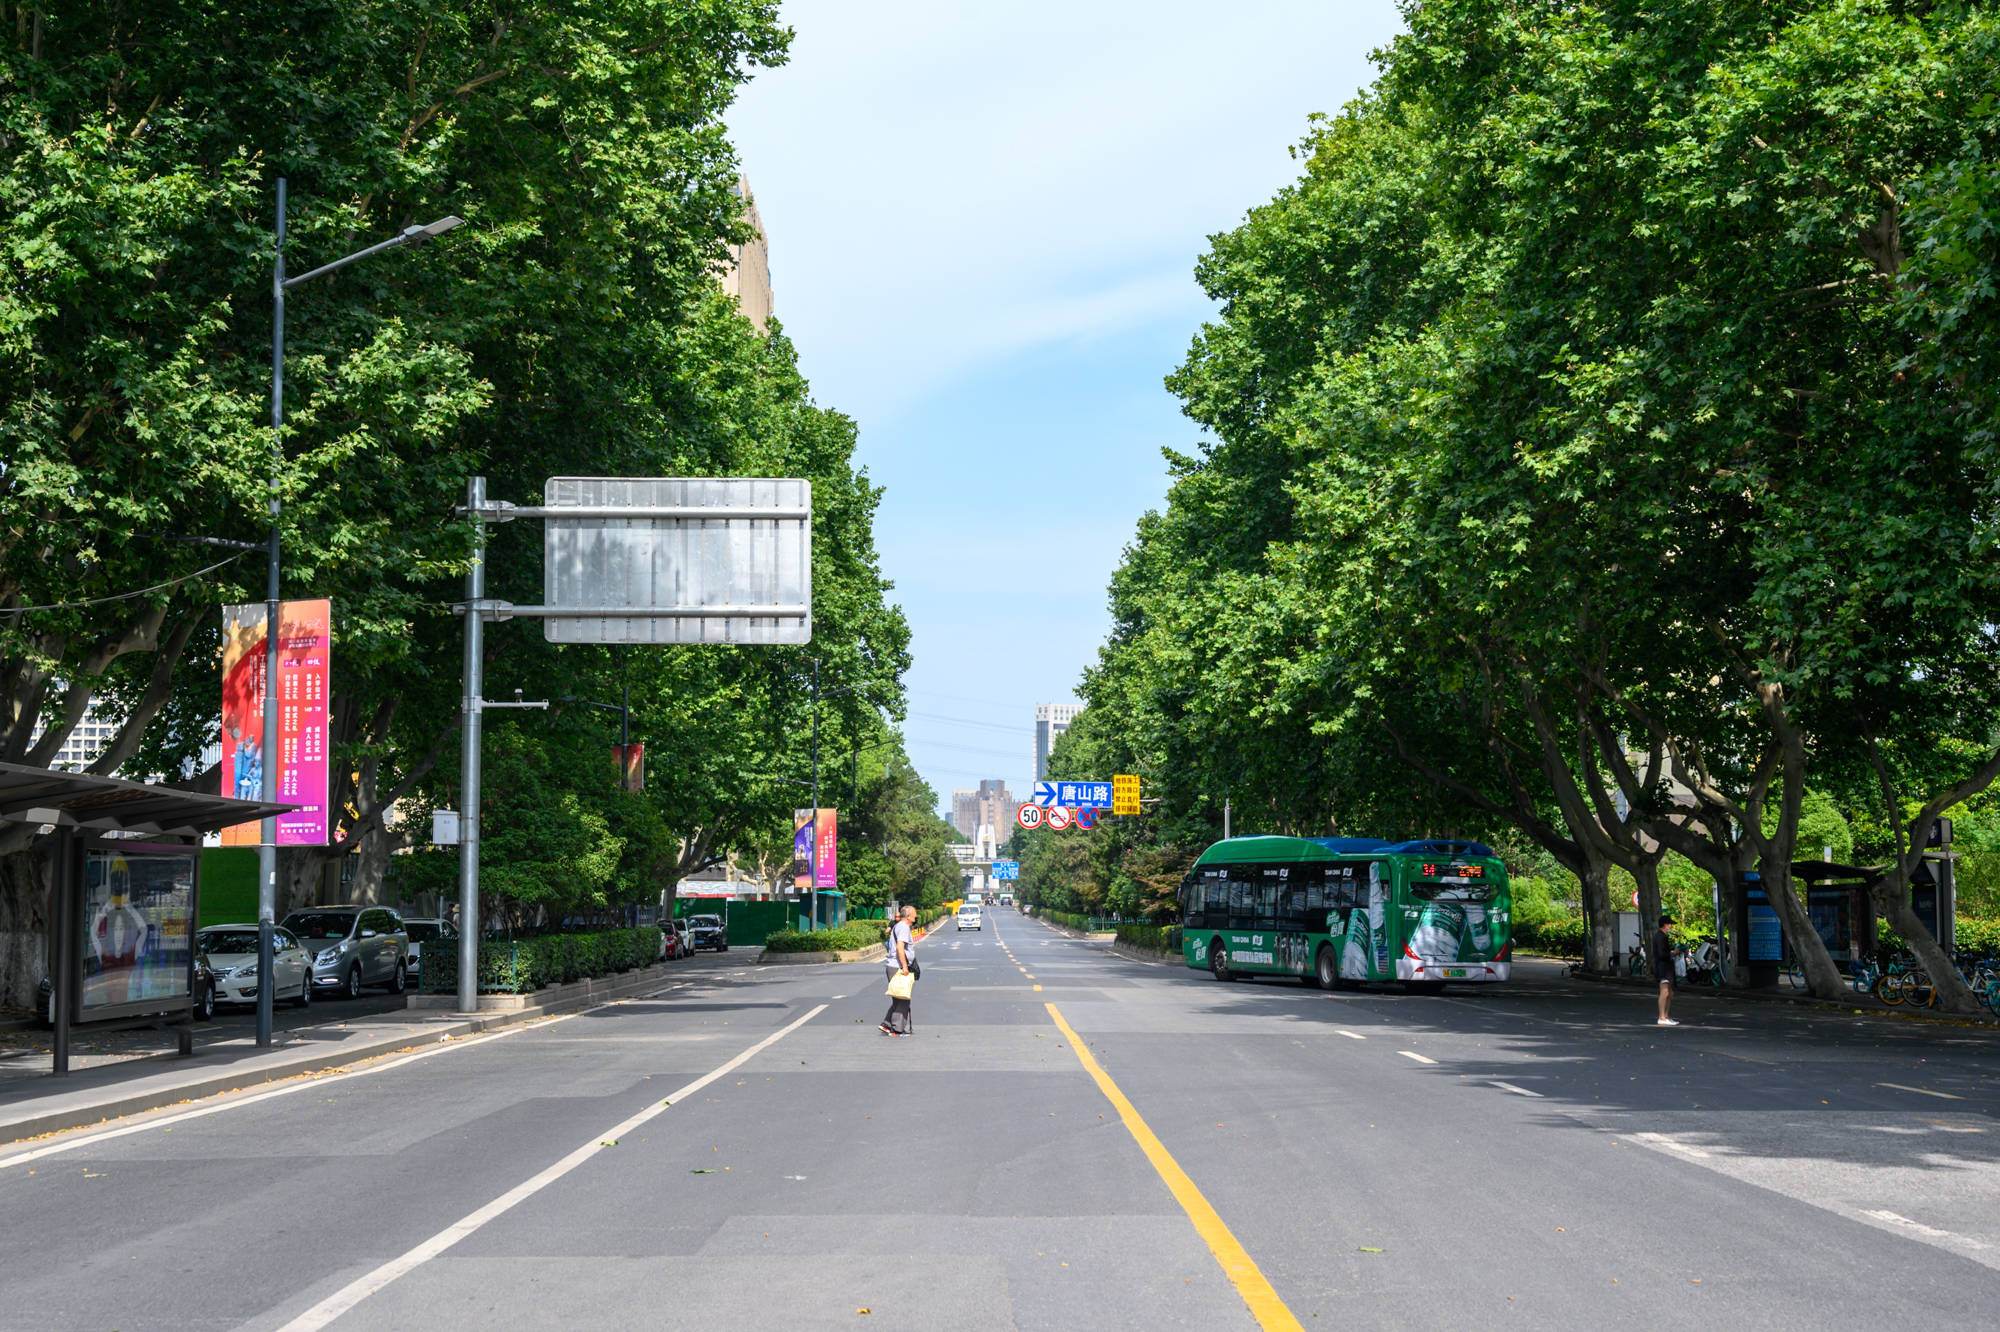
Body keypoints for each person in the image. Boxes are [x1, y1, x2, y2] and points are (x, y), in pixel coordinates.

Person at [882, 905, 918, 1036]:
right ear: (908, 916)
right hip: (898, 966)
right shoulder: (903, 927)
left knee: (898, 997)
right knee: (903, 999)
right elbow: (900, 947)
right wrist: (904, 966)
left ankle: (887, 1024)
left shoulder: (899, 926)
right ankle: (897, 1029)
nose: (916, 916)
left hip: (893, 965)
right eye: (914, 914)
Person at [1651, 913, 1679, 1026]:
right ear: (1664, 925)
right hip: (1663, 968)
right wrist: (1672, 953)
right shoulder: (1660, 937)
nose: (1670, 926)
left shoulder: (1662, 936)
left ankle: (1666, 1016)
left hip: (1666, 968)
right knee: (1665, 992)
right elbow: (1662, 954)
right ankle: (1661, 1017)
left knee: (1670, 992)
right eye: (1669, 924)